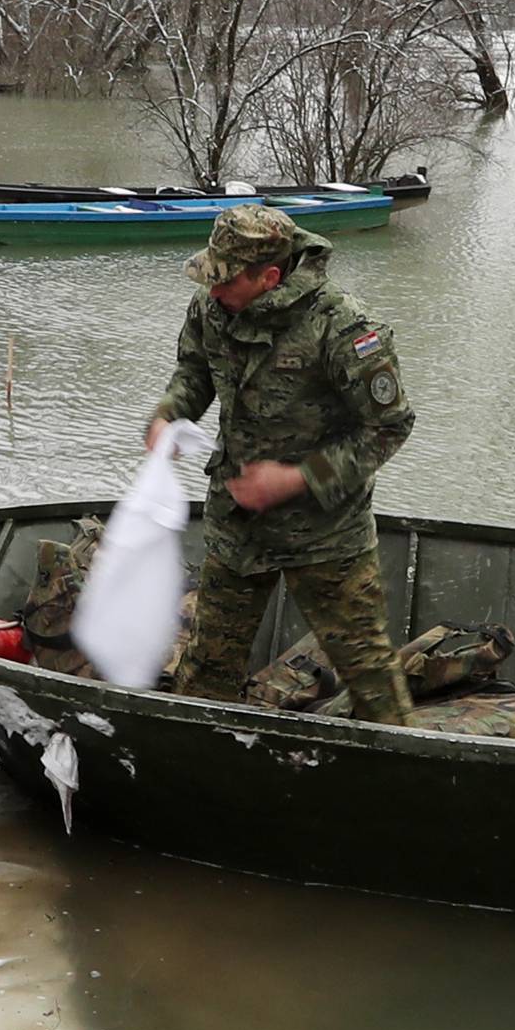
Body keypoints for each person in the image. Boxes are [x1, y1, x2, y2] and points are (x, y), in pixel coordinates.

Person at [146, 203, 416, 724]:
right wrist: (169, 413)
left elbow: (389, 428)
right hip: (237, 520)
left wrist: (296, 479)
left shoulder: (345, 330)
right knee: (207, 670)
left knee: (370, 675)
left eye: (225, 281)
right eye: (211, 276)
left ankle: (400, 783)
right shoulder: (212, 306)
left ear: (269, 276)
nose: (213, 290)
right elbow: (195, 370)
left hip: (326, 534)